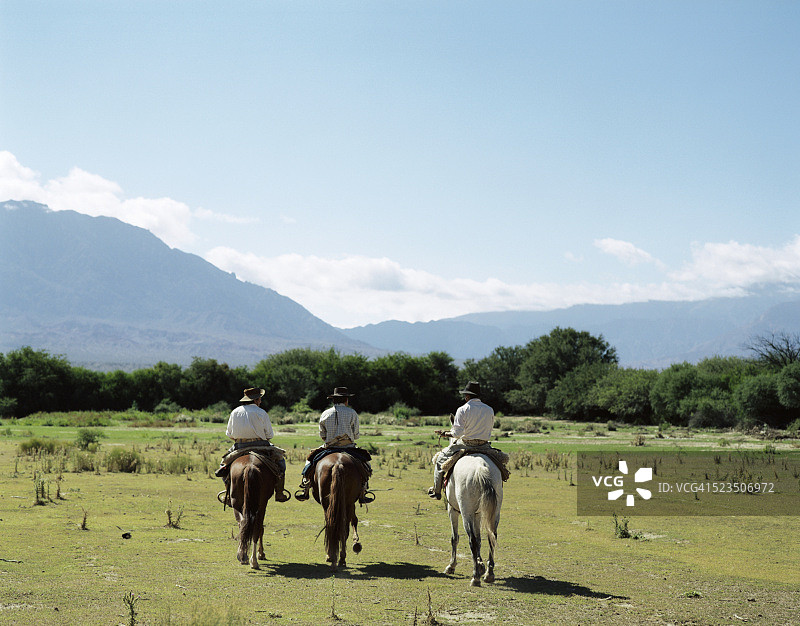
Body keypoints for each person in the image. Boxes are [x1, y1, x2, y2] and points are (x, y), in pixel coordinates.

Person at [294, 386, 374, 504]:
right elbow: (356, 435)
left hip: (329, 447)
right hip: (348, 447)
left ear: (333, 400)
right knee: (366, 464)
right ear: (346, 400)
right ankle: (363, 491)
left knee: (309, 462)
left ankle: (305, 488)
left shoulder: (325, 413)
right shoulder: (352, 413)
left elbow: (322, 435)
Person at [215, 387, 290, 503]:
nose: (260, 401)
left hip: (240, 446)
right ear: (255, 400)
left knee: (223, 465)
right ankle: (279, 492)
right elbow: (269, 435)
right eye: (259, 399)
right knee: (280, 462)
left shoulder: (235, 412)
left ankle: (227, 493)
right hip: (262, 445)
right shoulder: (262, 412)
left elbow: (229, 434)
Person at [428, 381, 495, 499]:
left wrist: (445, 434)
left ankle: (436, 491)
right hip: (484, 446)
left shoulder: (463, 409)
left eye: (465, 395)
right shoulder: (489, 409)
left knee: (440, 460)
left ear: (467, 396)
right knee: (500, 461)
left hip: (465, 445)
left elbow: (457, 434)